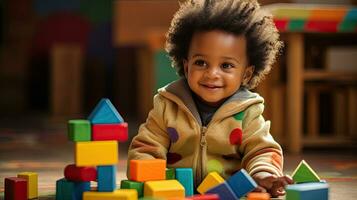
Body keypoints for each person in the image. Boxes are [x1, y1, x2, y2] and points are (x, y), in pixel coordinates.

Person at [128, 0, 293, 197]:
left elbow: (262, 151)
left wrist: (262, 174)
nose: (212, 74)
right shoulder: (167, 106)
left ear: (246, 75)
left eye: (226, 66)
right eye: (201, 63)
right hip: (178, 192)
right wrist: (149, 177)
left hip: (229, 193)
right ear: (187, 66)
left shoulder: (248, 113)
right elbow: (146, 147)